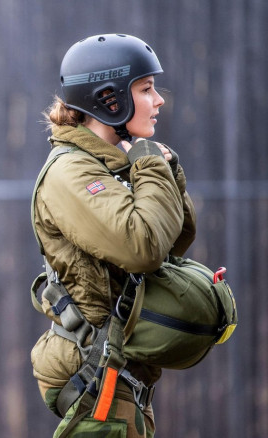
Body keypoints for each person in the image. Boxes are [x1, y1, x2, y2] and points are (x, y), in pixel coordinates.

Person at [30, 34, 197, 437]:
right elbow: (144, 248)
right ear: (109, 99)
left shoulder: (112, 165)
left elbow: (177, 239)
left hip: (118, 370)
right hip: (92, 371)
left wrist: (159, 170)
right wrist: (151, 166)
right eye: (146, 89)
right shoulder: (72, 174)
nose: (158, 100)